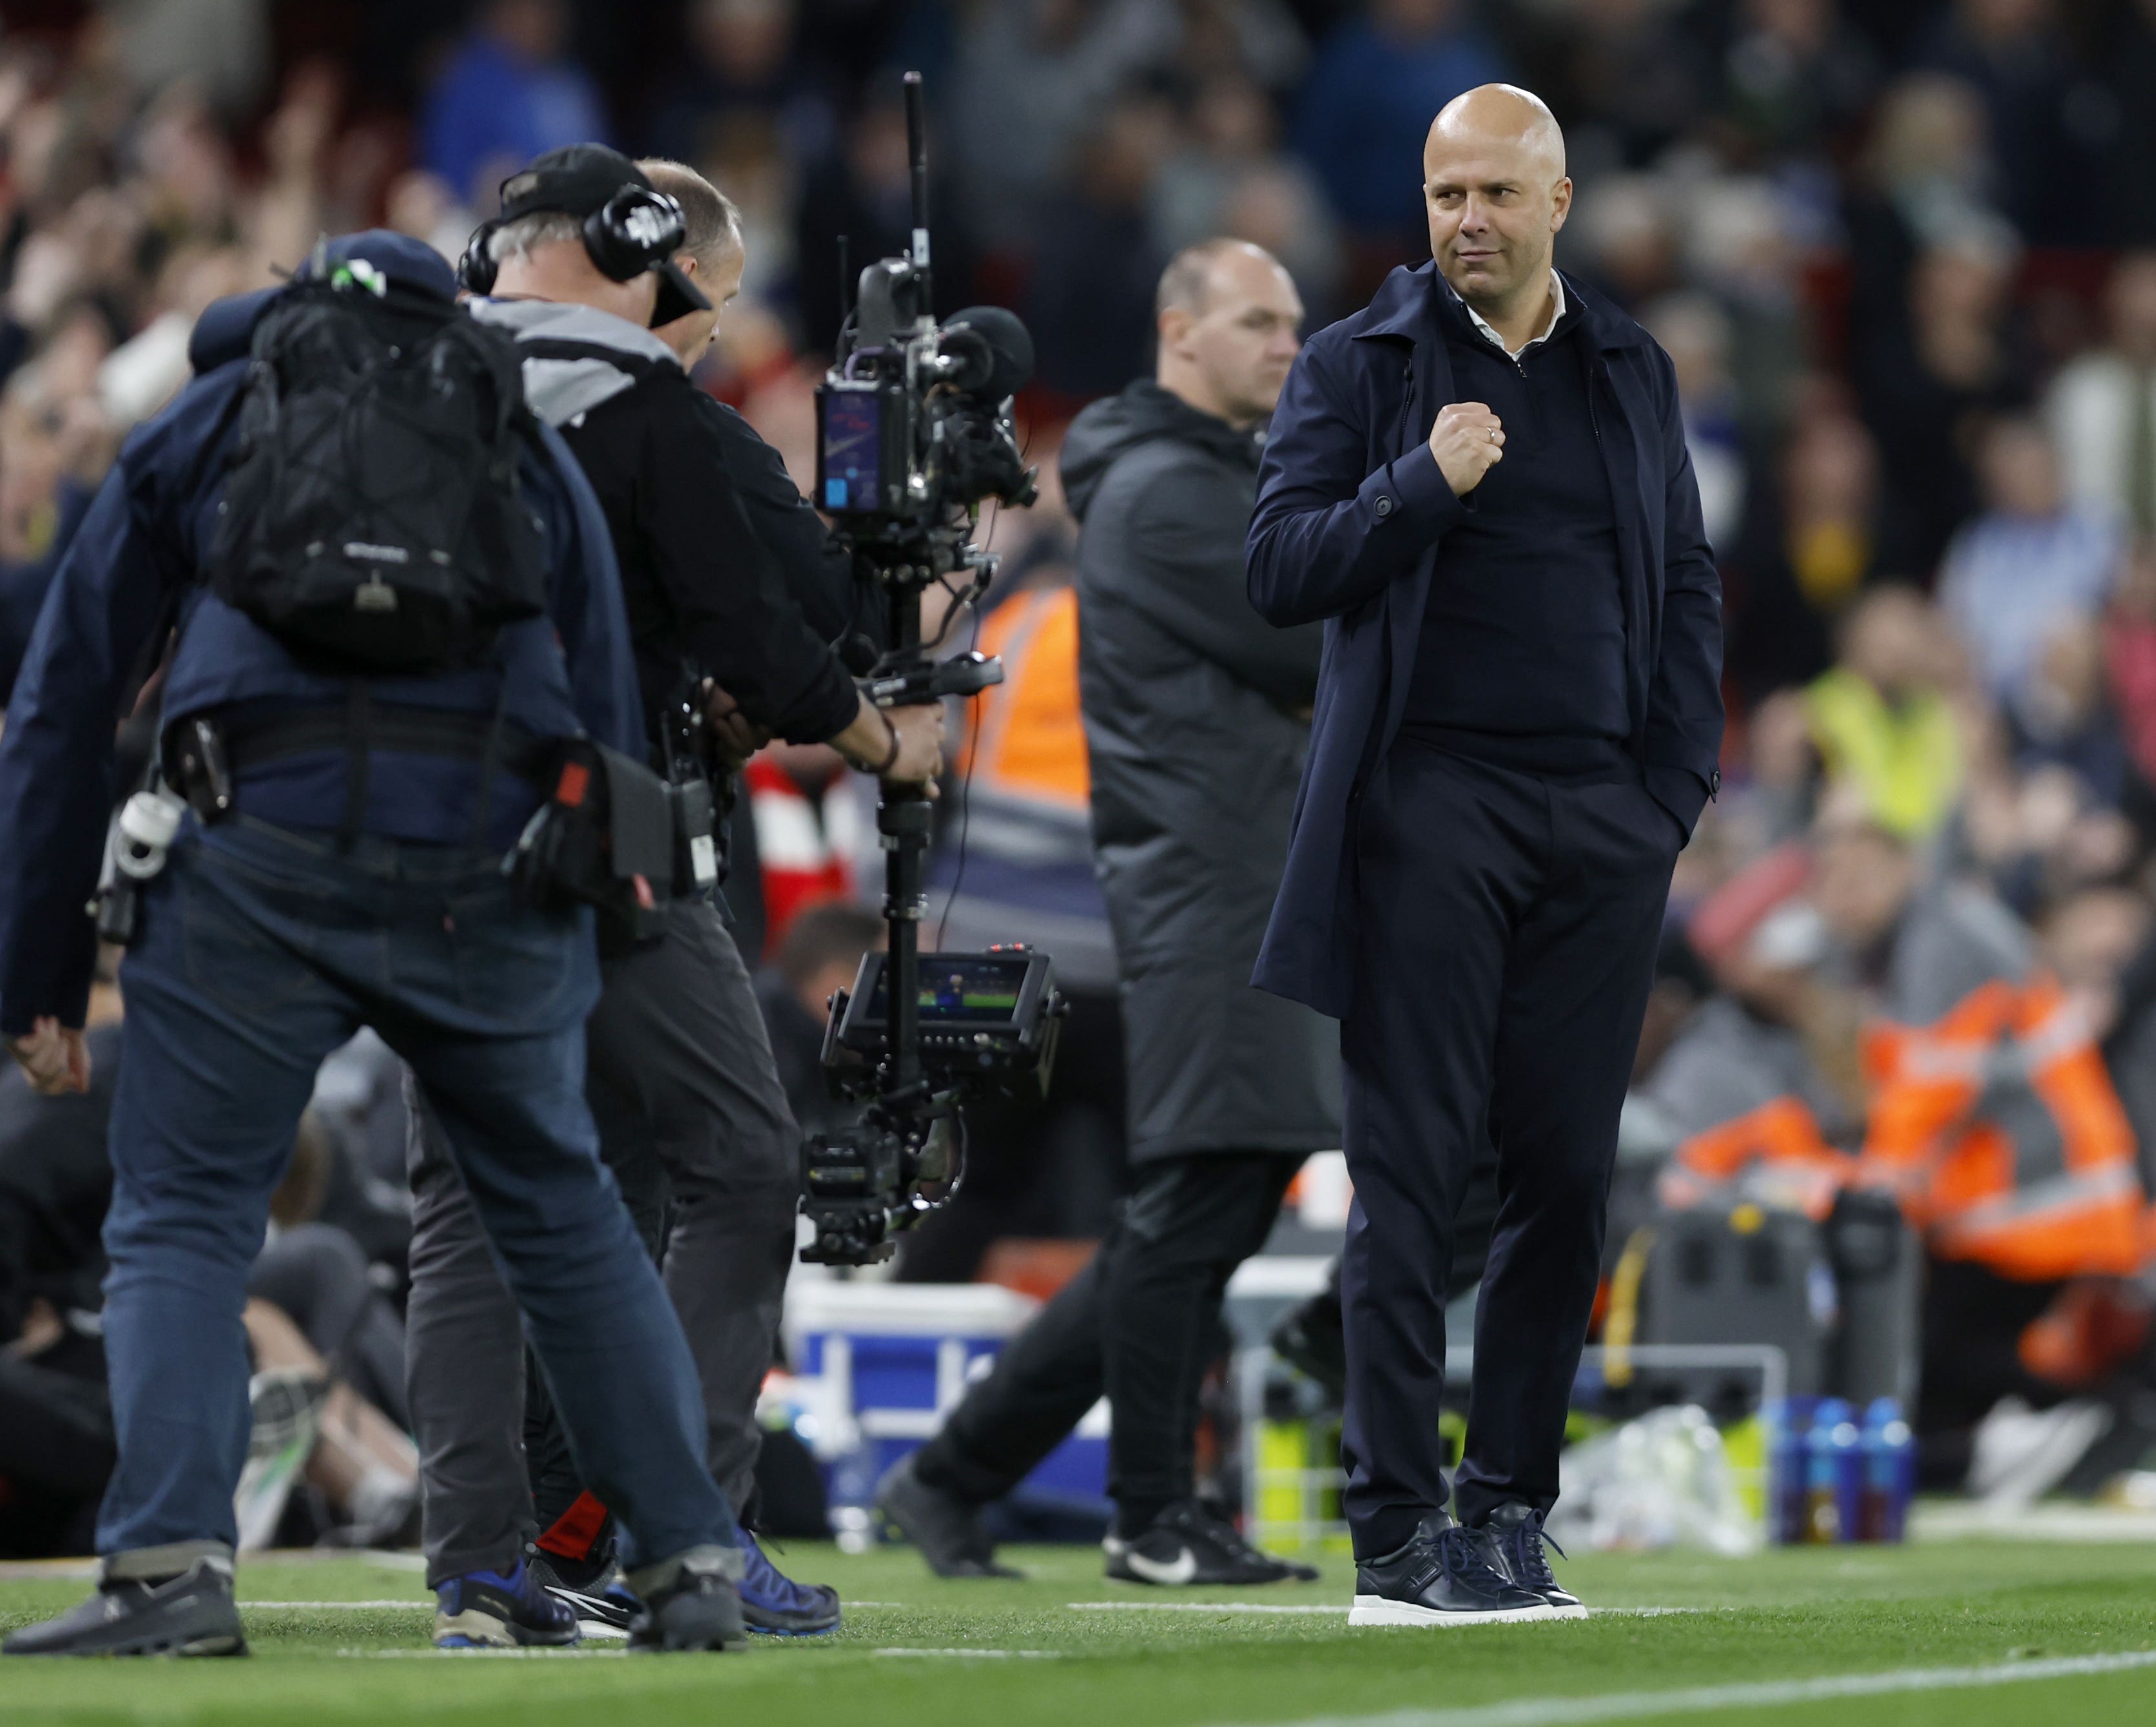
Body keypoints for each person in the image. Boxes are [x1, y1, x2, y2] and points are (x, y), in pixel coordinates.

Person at [0, 232, 743, 1654]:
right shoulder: (510, 425)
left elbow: (64, 693)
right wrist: (605, 927)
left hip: (249, 850)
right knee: (565, 1215)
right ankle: (689, 1560)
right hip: (486, 866)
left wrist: (37, 973)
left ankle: (168, 1576)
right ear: (451, 316)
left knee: (187, 1214)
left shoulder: (217, 410)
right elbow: (609, 709)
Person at [402, 146, 940, 1646]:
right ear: (648, 255)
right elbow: (777, 639)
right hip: (595, 844)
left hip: (399, 850)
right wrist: (885, 730)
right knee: (743, 1156)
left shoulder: (398, 382)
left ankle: (485, 1571)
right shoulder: (648, 413)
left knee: (465, 1206)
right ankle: (684, 1531)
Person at [1247, 84, 1724, 1623]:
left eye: (1499, 195)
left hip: (1602, 817)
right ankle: (1394, 1533)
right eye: (1449, 193)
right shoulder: (1358, 364)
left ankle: (1508, 1510)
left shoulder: (1630, 367)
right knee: (1410, 1171)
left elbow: (1690, 582)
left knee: (1568, 1177)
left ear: (1561, 203)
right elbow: (1278, 566)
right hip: (1429, 803)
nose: (1469, 220)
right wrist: (1419, 483)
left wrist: (1671, 793)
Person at [877, 238, 1337, 1588]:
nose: (1287, 345)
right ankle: (1146, 1508)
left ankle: (960, 1472)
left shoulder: (1206, 479)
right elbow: (1314, 634)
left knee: (1208, 1198)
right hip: (1202, 889)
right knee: (1196, 1200)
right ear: (1177, 330)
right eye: (1258, 320)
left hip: (1239, 881)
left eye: (1297, 323)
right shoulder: (1162, 492)